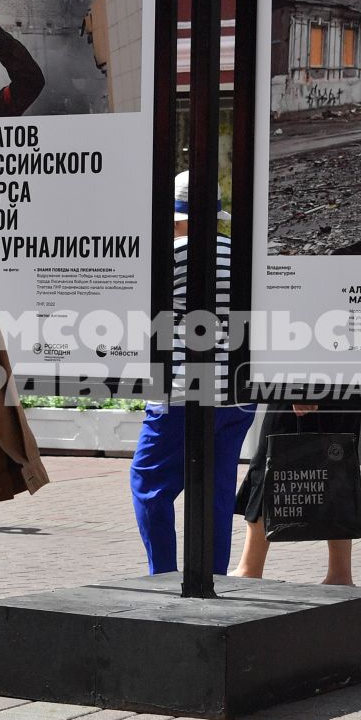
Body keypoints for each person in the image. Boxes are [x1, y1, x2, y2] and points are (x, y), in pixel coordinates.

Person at [127, 171, 255, 577]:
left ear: (175, 215)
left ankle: (163, 575)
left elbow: (146, 322)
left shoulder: (171, 256)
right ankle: (212, 577)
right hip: (236, 394)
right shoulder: (240, 255)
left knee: (148, 486)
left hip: (181, 393)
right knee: (215, 491)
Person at [234, 404, 361, 586]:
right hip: (343, 389)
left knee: (270, 463)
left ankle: (250, 567)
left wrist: (300, 390)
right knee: (337, 465)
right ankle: (340, 573)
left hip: (305, 385)